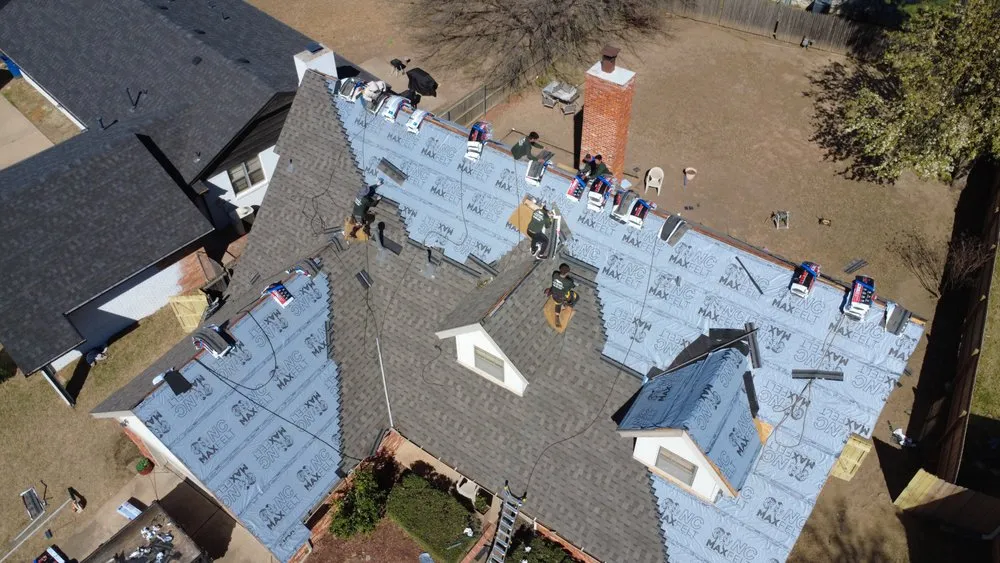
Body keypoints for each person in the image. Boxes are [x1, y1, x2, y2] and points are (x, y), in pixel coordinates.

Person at [545, 263, 579, 328]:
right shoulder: (569, 281)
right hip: (563, 297)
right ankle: (568, 304)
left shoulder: (555, 274)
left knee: (558, 303)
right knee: (575, 296)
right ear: (567, 273)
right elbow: (572, 286)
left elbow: (558, 276)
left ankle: (557, 316)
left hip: (554, 295)